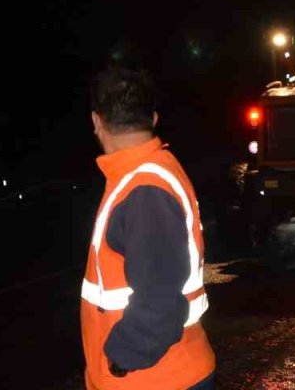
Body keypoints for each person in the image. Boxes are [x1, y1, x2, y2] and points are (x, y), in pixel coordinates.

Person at [81, 66, 217, 389]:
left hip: (152, 379)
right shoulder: (145, 175)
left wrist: (119, 360)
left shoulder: (144, 189)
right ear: (153, 119)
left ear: (96, 122)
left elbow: (159, 305)